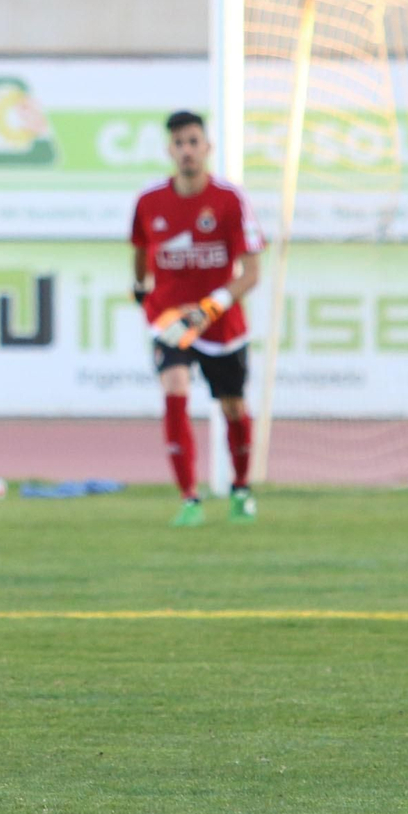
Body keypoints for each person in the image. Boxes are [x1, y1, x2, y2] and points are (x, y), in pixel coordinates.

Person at [130, 109, 264, 528]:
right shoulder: (149, 202)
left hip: (220, 325)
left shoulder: (229, 200)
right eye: (179, 143)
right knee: (175, 388)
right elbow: (139, 254)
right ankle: (189, 498)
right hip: (170, 319)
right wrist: (142, 293)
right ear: (169, 150)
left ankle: (241, 489)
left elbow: (252, 273)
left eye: (193, 142)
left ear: (207, 148)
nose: (186, 150)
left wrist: (208, 309)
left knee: (234, 407)